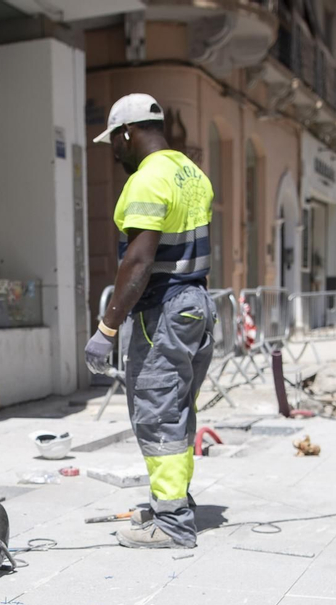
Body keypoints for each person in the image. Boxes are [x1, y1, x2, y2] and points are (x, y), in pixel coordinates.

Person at [84, 93, 215, 549]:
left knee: (157, 413)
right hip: (196, 303)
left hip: (162, 310)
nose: (113, 152)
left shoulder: (147, 181)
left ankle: (173, 522)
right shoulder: (192, 174)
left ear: (127, 133)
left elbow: (138, 262)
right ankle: (174, 500)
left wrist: (107, 328)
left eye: (113, 143)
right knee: (178, 409)